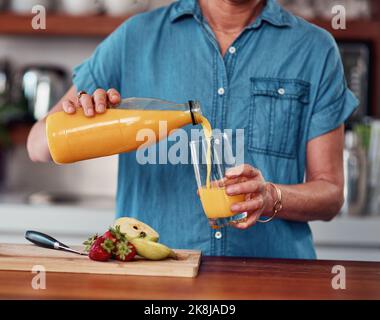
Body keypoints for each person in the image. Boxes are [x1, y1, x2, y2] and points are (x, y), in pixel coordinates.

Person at [27, 0, 358, 259]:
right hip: (155, 282)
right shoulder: (135, 38)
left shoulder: (314, 49)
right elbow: (38, 146)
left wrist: (273, 196)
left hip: (273, 277)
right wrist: (86, 117)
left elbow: (330, 194)